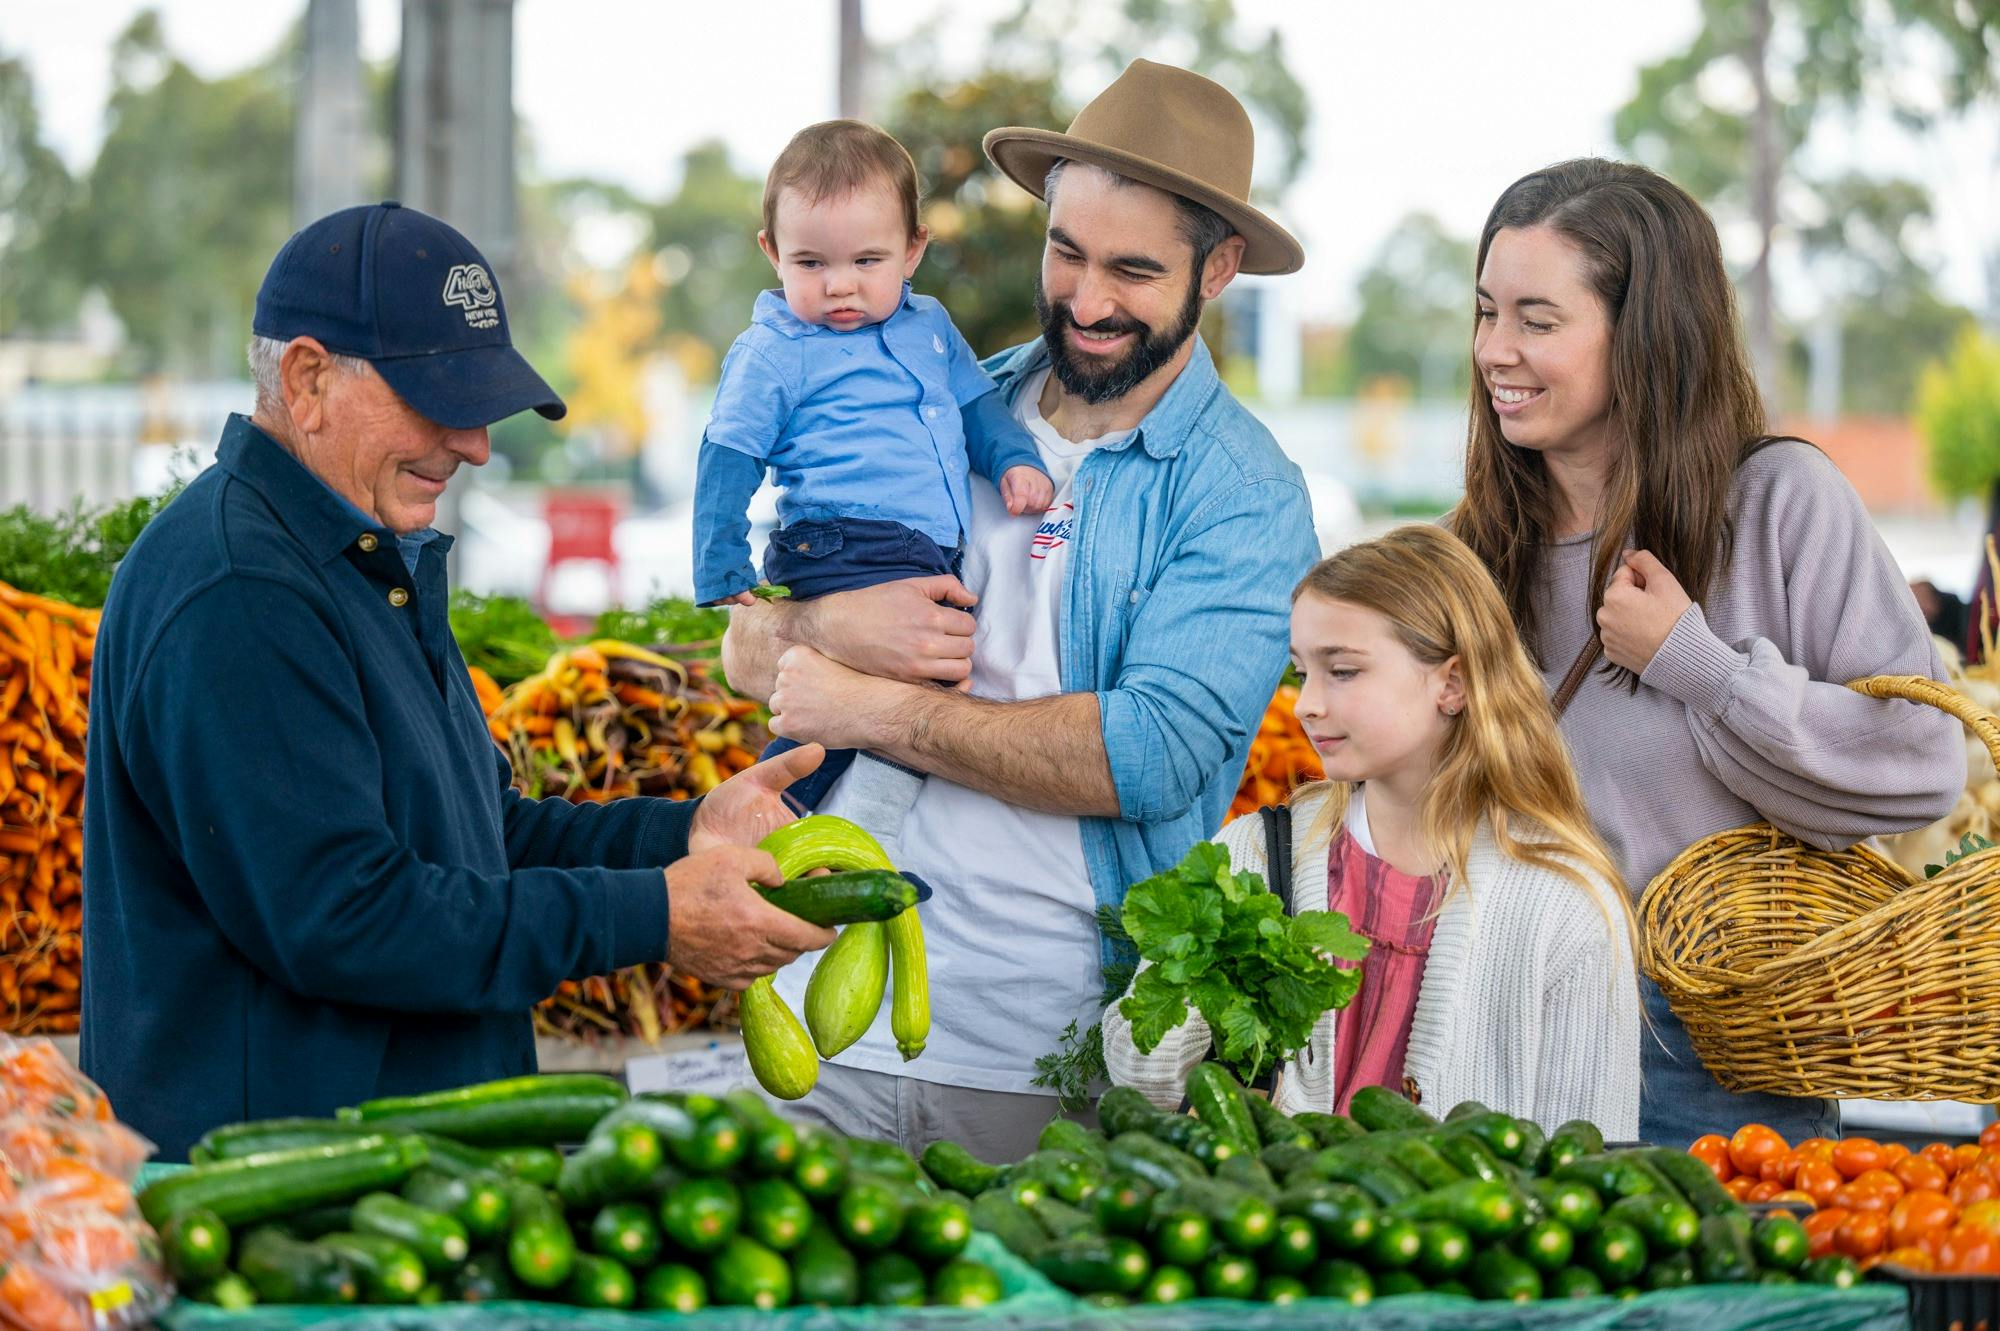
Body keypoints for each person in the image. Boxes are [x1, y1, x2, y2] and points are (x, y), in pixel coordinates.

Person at [81, 202, 834, 1159]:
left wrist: (685, 829)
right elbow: (345, 916)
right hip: (291, 1210)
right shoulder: (242, 590)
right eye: (438, 401)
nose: (476, 445)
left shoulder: (355, 557)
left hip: (391, 1174)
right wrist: (654, 914)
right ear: (308, 379)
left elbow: (480, 836)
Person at [721, 61, 1321, 1161]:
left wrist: (867, 705)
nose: (1085, 302)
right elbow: (742, 640)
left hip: (1048, 1066)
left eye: (1133, 270)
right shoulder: (938, 399)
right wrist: (811, 634)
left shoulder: (1245, 495)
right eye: (1067, 252)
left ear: (1218, 267)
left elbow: (1143, 756)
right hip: (811, 1018)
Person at [1451, 159, 1964, 1146]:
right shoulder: (1477, 544)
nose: (1495, 352)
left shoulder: (1777, 504)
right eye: (1484, 312)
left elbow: (1919, 765)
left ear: (1642, 334)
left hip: (1702, 1059)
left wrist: (1698, 664)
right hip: (1495, 1028)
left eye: (1536, 319)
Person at [1103, 526, 1641, 1136]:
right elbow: (1138, 1074)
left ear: (1453, 684)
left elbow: (1590, 1151)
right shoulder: (1254, 855)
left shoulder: (1565, 901)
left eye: (1343, 671)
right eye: (1302, 671)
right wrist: (1213, 980)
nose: (1306, 703)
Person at [692, 119, 1053, 851]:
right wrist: (719, 560)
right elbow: (727, 453)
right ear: (772, 253)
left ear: (914, 248)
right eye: (811, 263)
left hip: (916, 552)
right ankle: (792, 826)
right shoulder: (775, 349)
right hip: (841, 540)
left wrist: (1015, 458)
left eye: (867, 259)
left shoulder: (931, 328)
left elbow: (978, 404)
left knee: (893, 705)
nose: (840, 285)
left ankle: (825, 837)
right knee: (915, 695)